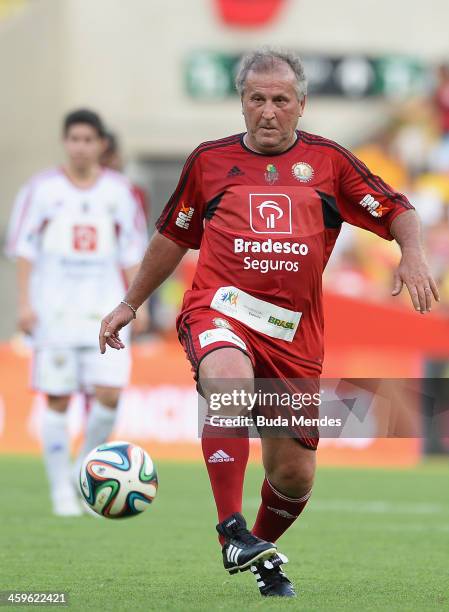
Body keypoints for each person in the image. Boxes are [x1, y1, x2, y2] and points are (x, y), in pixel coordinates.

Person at [99, 49, 439, 597]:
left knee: (294, 475)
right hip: (220, 309)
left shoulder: (329, 163)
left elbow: (398, 208)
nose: (269, 111)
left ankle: (258, 551)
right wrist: (129, 303)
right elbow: (171, 238)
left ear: (301, 105)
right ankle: (230, 528)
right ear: (242, 103)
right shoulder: (208, 162)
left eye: (281, 100)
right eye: (257, 99)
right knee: (228, 383)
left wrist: (413, 253)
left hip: (292, 336)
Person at [6, 109, 147, 516]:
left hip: (107, 310)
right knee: (58, 399)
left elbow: (134, 253)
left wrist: (138, 304)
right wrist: (26, 304)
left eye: (89, 140)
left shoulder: (119, 192)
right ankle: (60, 493)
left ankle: (78, 472)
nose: (81, 147)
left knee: (109, 394)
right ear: (65, 142)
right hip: (55, 312)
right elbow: (24, 250)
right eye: (74, 139)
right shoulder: (42, 190)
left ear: (101, 144)